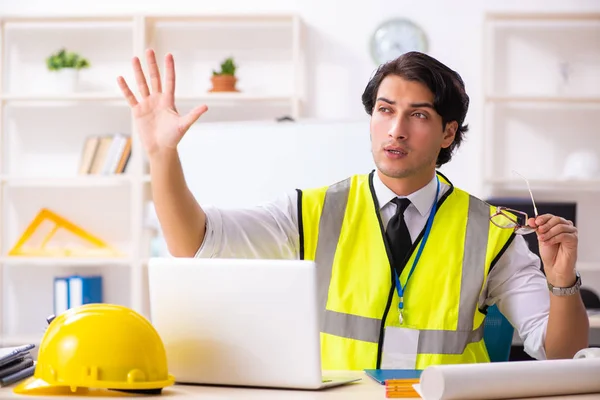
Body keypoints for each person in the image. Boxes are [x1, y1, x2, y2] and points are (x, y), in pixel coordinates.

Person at [117, 49, 589, 371]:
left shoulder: (492, 232)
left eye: (419, 115)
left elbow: (558, 351)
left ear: (448, 133)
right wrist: (161, 155)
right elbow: (193, 243)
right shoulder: (313, 211)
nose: (396, 129)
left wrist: (562, 282)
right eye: (385, 110)